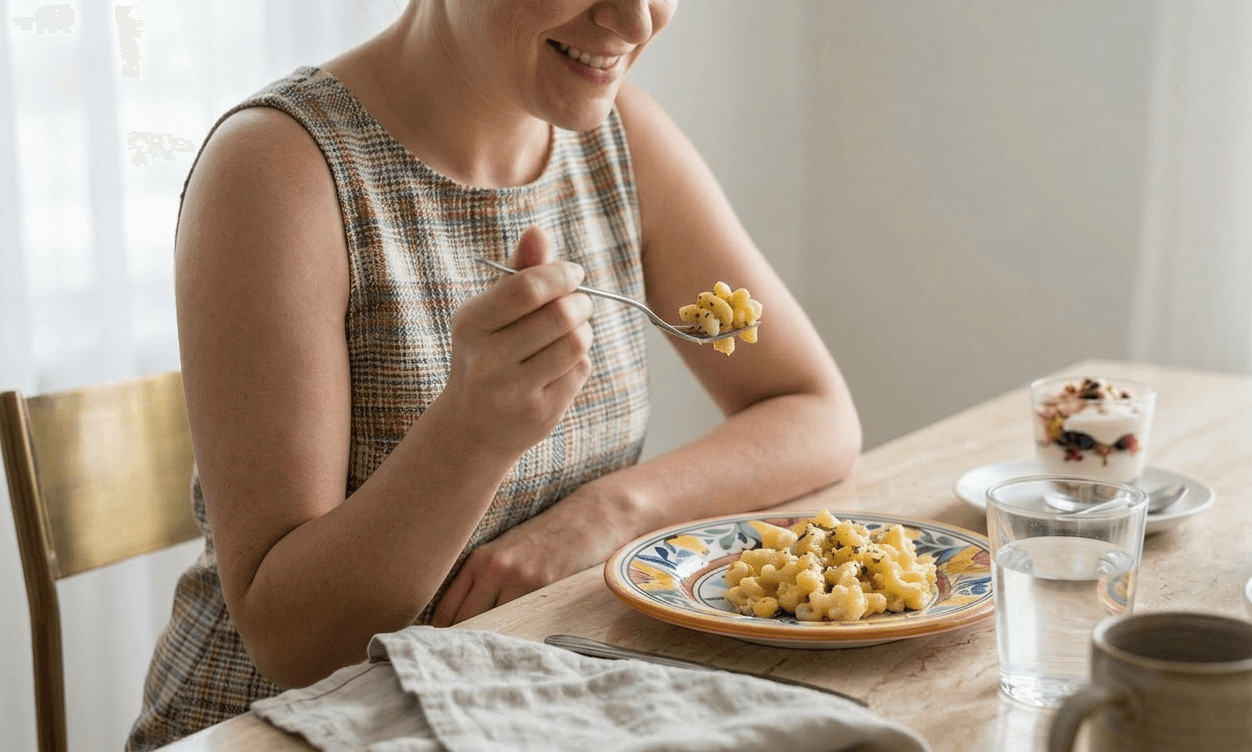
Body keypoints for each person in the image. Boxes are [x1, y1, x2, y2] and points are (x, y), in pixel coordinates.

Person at [128, 0, 860, 748]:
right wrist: (470, 435)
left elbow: (813, 411)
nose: (637, 23)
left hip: (515, 705)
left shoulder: (620, 135)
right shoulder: (278, 166)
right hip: (284, 727)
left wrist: (607, 513)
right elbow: (296, 649)